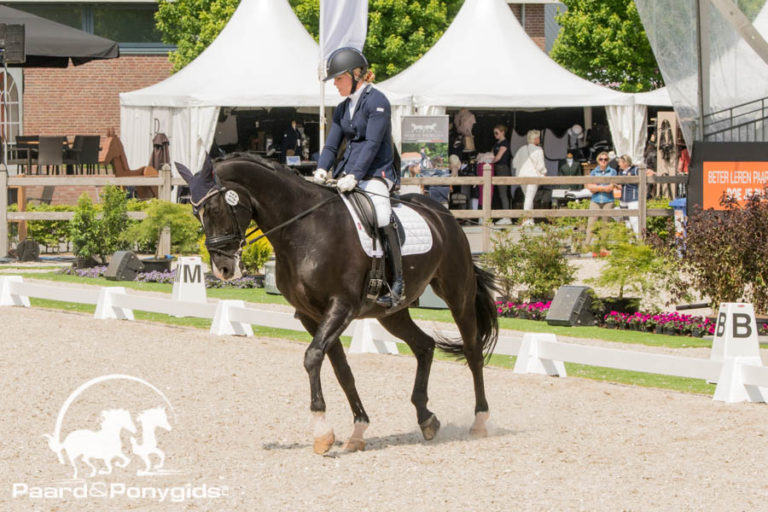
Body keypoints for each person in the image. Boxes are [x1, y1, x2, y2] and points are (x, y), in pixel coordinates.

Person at [312, 47, 403, 308]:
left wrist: (355, 175)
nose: (336, 85)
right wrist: (322, 168)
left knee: (382, 214)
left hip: (376, 173)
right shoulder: (342, 109)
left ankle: (397, 280)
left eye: (339, 79)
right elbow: (331, 146)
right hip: (346, 174)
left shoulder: (378, 102)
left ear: (356, 74)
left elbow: (373, 144)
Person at [513, 129, 546, 225]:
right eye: (538, 138)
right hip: (532, 176)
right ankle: (526, 219)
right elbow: (540, 166)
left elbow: (514, 163)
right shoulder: (538, 150)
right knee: (529, 197)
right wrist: (543, 172)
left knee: (527, 197)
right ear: (535, 139)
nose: (539, 139)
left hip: (522, 176)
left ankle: (530, 219)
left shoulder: (522, 149)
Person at [585, 151, 617, 246]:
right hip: (596, 200)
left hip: (608, 200)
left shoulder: (612, 172)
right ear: (598, 161)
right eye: (601, 159)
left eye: (605, 159)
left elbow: (610, 188)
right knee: (591, 223)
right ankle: (587, 245)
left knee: (605, 224)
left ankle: (603, 246)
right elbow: (591, 188)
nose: (603, 161)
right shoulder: (594, 172)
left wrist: (598, 187)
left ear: (608, 161)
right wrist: (603, 188)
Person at [490, 125, 513, 225]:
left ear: (503, 132)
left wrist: (489, 161)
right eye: (494, 133)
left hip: (503, 168)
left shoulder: (504, 143)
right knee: (500, 193)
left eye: (497, 133)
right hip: (497, 169)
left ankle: (506, 216)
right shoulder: (497, 143)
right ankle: (504, 215)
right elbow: (491, 154)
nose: (495, 135)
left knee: (503, 193)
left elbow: (498, 157)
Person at [615, 154, 639, 235]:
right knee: (626, 220)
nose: (619, 164)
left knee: (634, 220)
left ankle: (639, 241)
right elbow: (621, 185)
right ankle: (630, 242)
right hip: (623, 199)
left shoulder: (635, 170)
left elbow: (645, 175)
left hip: (633, 198)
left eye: (620, 162)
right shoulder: (621, 172)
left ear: (625, 162)